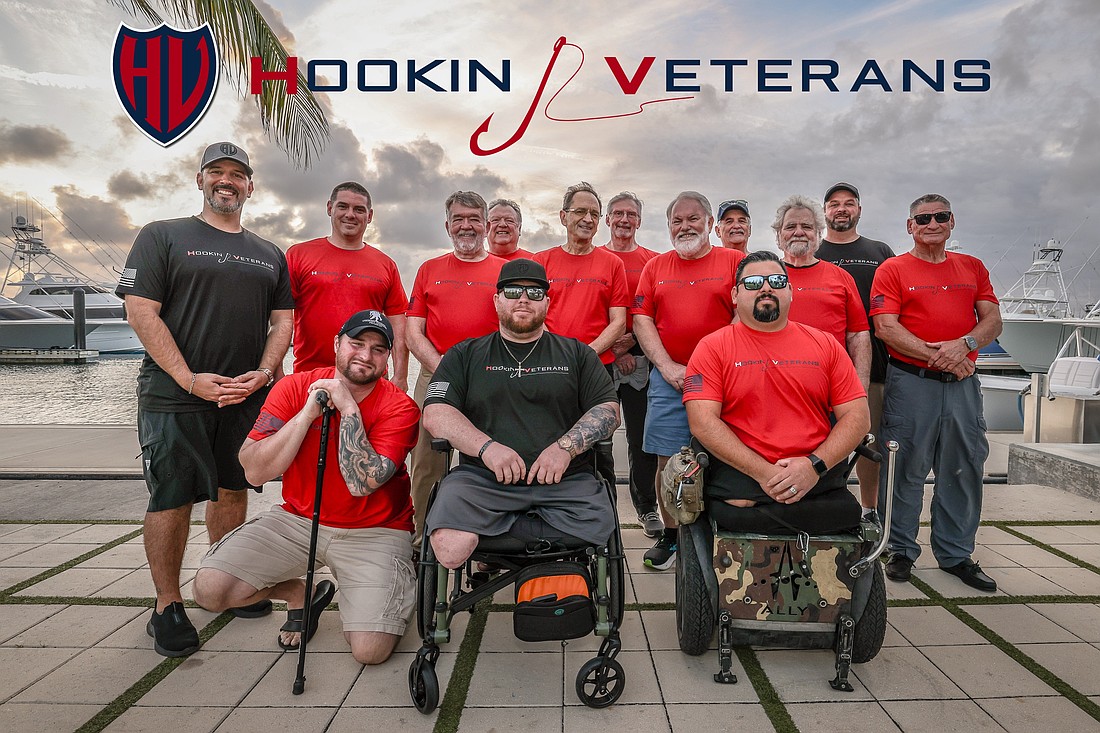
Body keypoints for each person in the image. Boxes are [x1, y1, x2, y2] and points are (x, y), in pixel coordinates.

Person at [117, 141, 294, 657]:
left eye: (237, 174)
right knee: (172, 496)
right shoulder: (163, 236)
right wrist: (189, 378)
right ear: (199, 180)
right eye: (216, 172)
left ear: (250, 186)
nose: (226, 181)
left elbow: (283, 321)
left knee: (232, 490)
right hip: (175, 396)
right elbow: (141, 312)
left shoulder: (268, 253)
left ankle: (224, 579)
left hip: (242, 397)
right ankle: (167, 605)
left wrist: (262, 375)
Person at [193, 311, 419, 663]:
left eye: (378, 349)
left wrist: (347, 406)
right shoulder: (294, 388)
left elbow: (362, 483)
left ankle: (377, 590)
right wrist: (306, 415)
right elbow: (254, 472)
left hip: (375, 530)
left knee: (370, 651)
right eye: (356, 343)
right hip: (298, 520)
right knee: (210, 592)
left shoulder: (400, 407)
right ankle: (301, 593)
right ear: (336, 344)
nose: (365, 355)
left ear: (388, 357)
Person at [422, 259, 620, 568]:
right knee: (449, 547)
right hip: (482, 480)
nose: (524, 298)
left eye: (535, 292)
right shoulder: (465, 354)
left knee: (601, 526)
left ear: (547, 303)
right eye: (513, 291)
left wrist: (565, 449)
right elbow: (435, 413)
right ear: (497, 300)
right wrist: (486, 449)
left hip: (565, 482)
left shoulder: (578, 353)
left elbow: (607, 410)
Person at [684, 251, 870, 532]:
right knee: (738, 506)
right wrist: (766, 473)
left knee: (845, 513)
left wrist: (812, 468)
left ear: (791, 292)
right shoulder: (712, 347)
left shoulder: (826, 345)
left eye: (777, 281)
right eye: (754, 282)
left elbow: (858, 418)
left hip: (814, 466)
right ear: (735, 295)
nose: (766, 287)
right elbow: (702, 422)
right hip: (743, 467)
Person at [871, 194, 1002, 592]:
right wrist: (943, 355)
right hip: (911, 384)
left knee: (963, 469)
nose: (932, 223)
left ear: (951, 221)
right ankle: (899, 550)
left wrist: (963, 345)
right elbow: (886, 328)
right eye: (922, 218)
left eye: (940, 216)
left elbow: (992, 319)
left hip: (962, 386)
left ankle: (956, 554)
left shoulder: (972, 267)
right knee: (903, 469)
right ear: (909, 226)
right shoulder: (892, 269)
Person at [632, 191, 744, 569]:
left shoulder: (734, 261)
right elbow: (642, 319)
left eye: (693, 218)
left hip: (726, 379)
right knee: (668, 459)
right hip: (670, 379)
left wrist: (709, 363)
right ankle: (672, 535)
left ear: (711, 223)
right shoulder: (656, 267)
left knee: (729, 457)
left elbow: (744, 313)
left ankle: (721, 533)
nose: (685, 226)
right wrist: (665, 367)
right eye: (677, 220)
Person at [406, 191, 505, 545]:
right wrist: (444, 366)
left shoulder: (502, 271)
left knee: (490, 454)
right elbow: (413, 331)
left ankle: (487, 536)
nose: (466, 226)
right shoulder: (429, 270)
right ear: (447, 225)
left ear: (486, 225)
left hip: (492, 375)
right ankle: (422, 535)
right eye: (459, 219)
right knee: (426, 458)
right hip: (437, 374)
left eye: (474, 218)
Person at [771, 194, 873, 504]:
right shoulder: (765, 278)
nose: (798, 232)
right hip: (773, 395)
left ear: (818, 233)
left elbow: (859, 337)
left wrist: (859, 393)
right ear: (778, 235)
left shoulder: (840, 278)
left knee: (826, 476)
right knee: (776, 472)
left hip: (828, 397)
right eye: (790, 226)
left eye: (806, 226)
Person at [533, 182, 629, 495]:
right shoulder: (541, 261)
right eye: (580, 211)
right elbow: (534, 315)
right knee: (549, 439)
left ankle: (605, 516)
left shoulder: (612, 264)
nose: (587, 219)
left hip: (597, 369)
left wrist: (584, 354)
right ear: (563, 216)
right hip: (547, 365)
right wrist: (560, 353)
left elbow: (618, 321)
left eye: (594, 213)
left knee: (599, 446)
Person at [817, 182, 895, 521]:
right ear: (825, 212)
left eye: (849, 203)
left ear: (859, 210)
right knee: (819, 441)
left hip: (873, 367)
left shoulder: (880, 252)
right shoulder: (812, 252)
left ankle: (869, 510)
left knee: (869, 442)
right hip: (819, 370)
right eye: (834, 204)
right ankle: (818, 506)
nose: (841, 209)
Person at [286, 182, 409, 388]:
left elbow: (399, 325)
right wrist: (277, 371)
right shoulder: (298, 255)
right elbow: (282, 318)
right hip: (310, 376)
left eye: (359, 209)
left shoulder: (386, 265)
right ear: (329, 208)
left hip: (369, 378)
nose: (350, 214)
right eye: (343, 206)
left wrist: (401, 376)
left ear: (369, 216)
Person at [599, 191, 661, 537]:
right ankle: (603, 507)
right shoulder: (597, 258)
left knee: (641, 438)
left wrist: (631, 344)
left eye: (631, 214)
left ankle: (647, 507)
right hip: (601, 361)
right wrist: (613, 350)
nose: (624, 220)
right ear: (607, 220)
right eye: (618, 214)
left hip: (641, 362)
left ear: (639, 220)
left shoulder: (652, 261)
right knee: (599, 438)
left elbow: (654, 310)